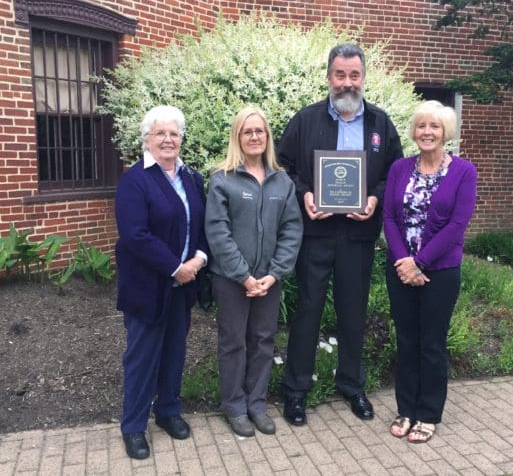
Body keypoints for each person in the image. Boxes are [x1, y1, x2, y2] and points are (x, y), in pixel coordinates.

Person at [277, 43, 403, 425]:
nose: (347, 83)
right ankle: (296, 392)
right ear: (329, 76)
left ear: (363, 77)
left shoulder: (380, 124)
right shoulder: (306, 119)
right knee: (308, 312)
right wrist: (305, 194)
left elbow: (393, 175)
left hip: (358, 235)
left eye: (354, 75)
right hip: (315, 234)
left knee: (353, 314)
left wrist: (375, 200)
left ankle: (352, 385)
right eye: (340, 75)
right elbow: (283, 167)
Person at [114, 105, 209, 459]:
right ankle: (133, 426)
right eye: (160, 134)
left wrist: (199, 258)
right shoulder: (134, 181)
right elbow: (135, 236)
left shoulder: (192, 178)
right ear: (147, 139)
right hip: (147, 288)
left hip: (183, 287)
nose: (168, 140)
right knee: (141, 357)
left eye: (174, 133)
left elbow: (201, 225)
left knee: (174, 351)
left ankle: (168, 411)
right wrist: (175, 267)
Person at [382, 99, 477, 443]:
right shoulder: (399, 168)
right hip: (400, 269)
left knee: (432, 344)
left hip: (440, 272)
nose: (427, 132)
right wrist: (403, 263)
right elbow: (390, 218)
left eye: (434, 126)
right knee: (406, 342)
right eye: (421, 126)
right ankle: (406, 409)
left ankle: (428, 414)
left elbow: (457, 224)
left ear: (445, 132)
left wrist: (419, 262)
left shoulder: (464, 171)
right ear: (414, 132)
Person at [205, 106, 302, 437]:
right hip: (232, 280)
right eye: (248, 131)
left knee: (262, 341)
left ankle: (257, 404)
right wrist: (244, 276)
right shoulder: (223, 180)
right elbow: (218, 233)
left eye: (260, 131)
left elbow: (292, 230)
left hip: (269, 280)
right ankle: (234, 406)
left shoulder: (282, 181)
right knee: (233, 342)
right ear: (238, 137)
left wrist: (273, 275)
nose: (255, 136)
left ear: (267, 137)